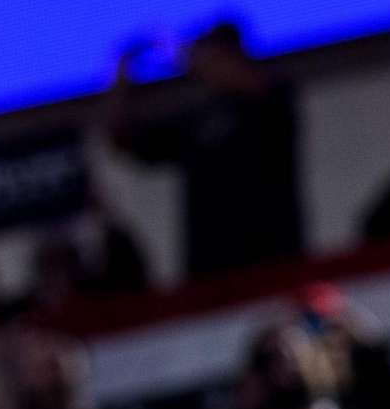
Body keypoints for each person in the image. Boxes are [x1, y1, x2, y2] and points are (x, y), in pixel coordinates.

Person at [108, 18, 306, 279]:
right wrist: (123, 76)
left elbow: (252, 82)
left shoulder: (272, 99)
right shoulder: (195, 120)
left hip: (275, 262)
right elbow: (121, 138)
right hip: (210, 272)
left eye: (213, 53)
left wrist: (185, 53)